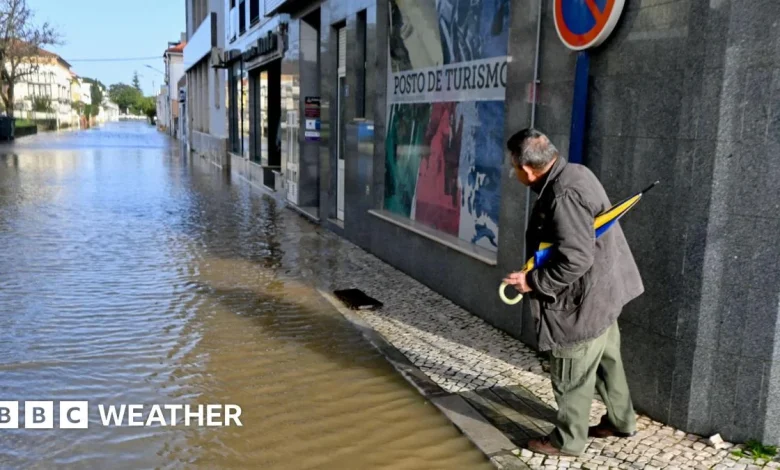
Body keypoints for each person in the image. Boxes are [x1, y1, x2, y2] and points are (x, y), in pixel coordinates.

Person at [503, 128, 645, 456]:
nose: (514, 172)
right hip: (604, 294)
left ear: (527, 168)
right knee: (609, 363)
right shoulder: (577, 172)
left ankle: (568, 441)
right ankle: (622, 422)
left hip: (580, 304)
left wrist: (532, 282)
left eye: (513, 166)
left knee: (571, 376)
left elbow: (576, 258)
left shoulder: (563, 195)